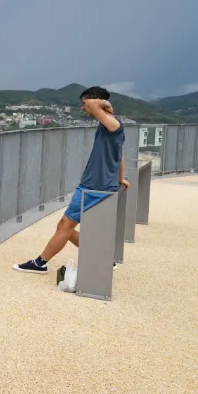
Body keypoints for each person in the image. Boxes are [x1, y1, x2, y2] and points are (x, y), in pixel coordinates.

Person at [13, 86, 129, 274]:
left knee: (64, 226)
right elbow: (120, 154)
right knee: (64, 227)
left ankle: (40, 263)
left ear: (95, 101)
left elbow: (93, 103)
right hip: (96, 184)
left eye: (83, 103)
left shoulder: (113, 124)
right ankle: (103, 257)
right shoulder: (108, 125)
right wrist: (121, 177)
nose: (83, 108)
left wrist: (101, 104)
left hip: (93, 186)